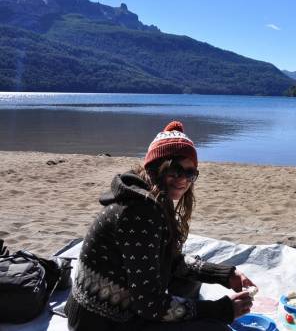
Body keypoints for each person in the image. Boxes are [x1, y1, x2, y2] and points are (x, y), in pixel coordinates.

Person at [65, 121, 256, 330]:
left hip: (104, 307)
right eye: (174, 170)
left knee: (190, 282)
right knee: (215, 327)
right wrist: (220, 310)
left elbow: (172, 261)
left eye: (191, 173)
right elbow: (150, 305)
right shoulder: (140, 211)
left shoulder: (149, 198)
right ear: (156, 168)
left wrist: (225, 275)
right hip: (102, 321)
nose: (183, 179)